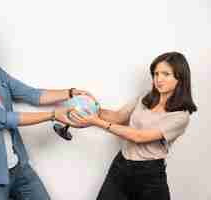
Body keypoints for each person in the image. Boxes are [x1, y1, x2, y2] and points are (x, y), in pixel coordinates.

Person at [0, 19, 88, 200]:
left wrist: (70, 93)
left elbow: (32, 95)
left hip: (17, 166)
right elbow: (3, 118)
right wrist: (53, 115)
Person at [70, 52, 197, 200]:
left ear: (179, 78)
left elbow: (139, 137)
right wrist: (94, 108)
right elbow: (117, 117)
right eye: (156, 74)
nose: (159, 79)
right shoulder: (145, 98)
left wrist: (96, 121)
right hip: (121, 166)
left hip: (149, 176)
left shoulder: (181, 115)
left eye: (166, 74)